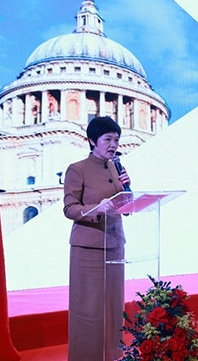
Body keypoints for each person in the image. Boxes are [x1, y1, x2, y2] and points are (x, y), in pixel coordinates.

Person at [63, 116, 131, 361]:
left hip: (114, 245)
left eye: (116, 140)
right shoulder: (77, 169)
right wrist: (96, 208)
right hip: (88, 248)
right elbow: (69, 208)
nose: (113, 145)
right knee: (88, 308)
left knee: (114, 306)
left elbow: (126, 207)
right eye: (107, 139)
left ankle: (114, 355)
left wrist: (128, 191)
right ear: (92, 141)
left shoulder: (116, 168)